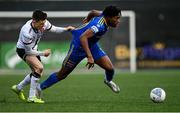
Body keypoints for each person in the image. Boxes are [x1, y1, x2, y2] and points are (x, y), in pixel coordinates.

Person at [38, 5, 121, 100]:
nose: (118, 21)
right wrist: (90, 57)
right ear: (109, 17)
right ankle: (39, 87)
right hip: (78, 46)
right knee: (62, 74)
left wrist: (88, 19)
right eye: (117, 18)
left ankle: (108, 80)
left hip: (92, 45)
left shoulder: (103, 15)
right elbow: (83, 37)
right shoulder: (99, 25)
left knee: (110, 68)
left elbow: (93, 11)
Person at [11, 9, 74, 103]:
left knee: (37, 72)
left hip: (34, 49)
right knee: (39, 68)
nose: (43, 26)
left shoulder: (43, 22)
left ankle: (18, 88)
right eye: (41, 23)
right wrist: (43, 53)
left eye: (44, 23)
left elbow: (54, 28)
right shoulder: (26, 32)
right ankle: (31, 97)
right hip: (24, 50)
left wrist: (66, 29)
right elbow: (29, 51)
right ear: (34, 21)